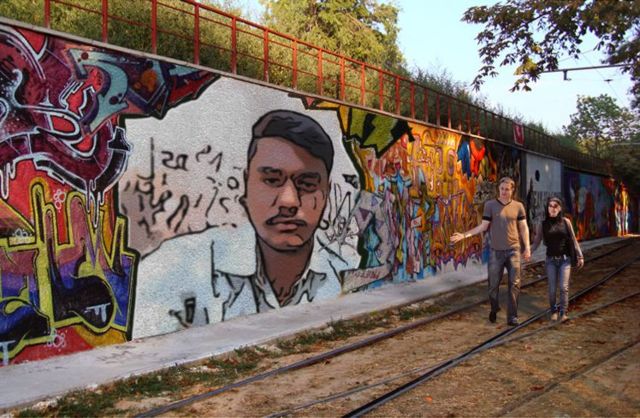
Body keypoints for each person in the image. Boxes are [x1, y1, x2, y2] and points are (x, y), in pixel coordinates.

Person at [212, 110, 340, 320]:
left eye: (307, 184)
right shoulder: (186, 271)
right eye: (272, 180)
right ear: (246, 185)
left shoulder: (348, 273)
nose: (289, 201)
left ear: (327, 193)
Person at [450, 176, 531, 326]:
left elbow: (523, 227)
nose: (504, 192)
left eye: (507, 189)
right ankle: (494, 308)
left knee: (515, 284)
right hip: (496, 252)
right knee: (493, 286)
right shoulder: (490, 205)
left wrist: (527, 247)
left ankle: (512, 317)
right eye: (502, 189)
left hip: (513, 250)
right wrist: (464, 235)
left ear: (512, 190)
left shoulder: (518, 206)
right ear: (498, 189)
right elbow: (483, 226)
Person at [531, 196, 584, 322]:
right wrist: (528, 251)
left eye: (555, 206)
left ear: (560, 208)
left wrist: (580, 255)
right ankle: (553, 311)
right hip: (550, 261)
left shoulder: (566, 222)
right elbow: (536, 242)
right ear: (547, 208)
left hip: (565, 260)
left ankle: (563, 312)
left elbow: (573, 239)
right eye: (550, 206)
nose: (553, 208)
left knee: (564, 287)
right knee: (552, 289)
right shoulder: (543, 224)